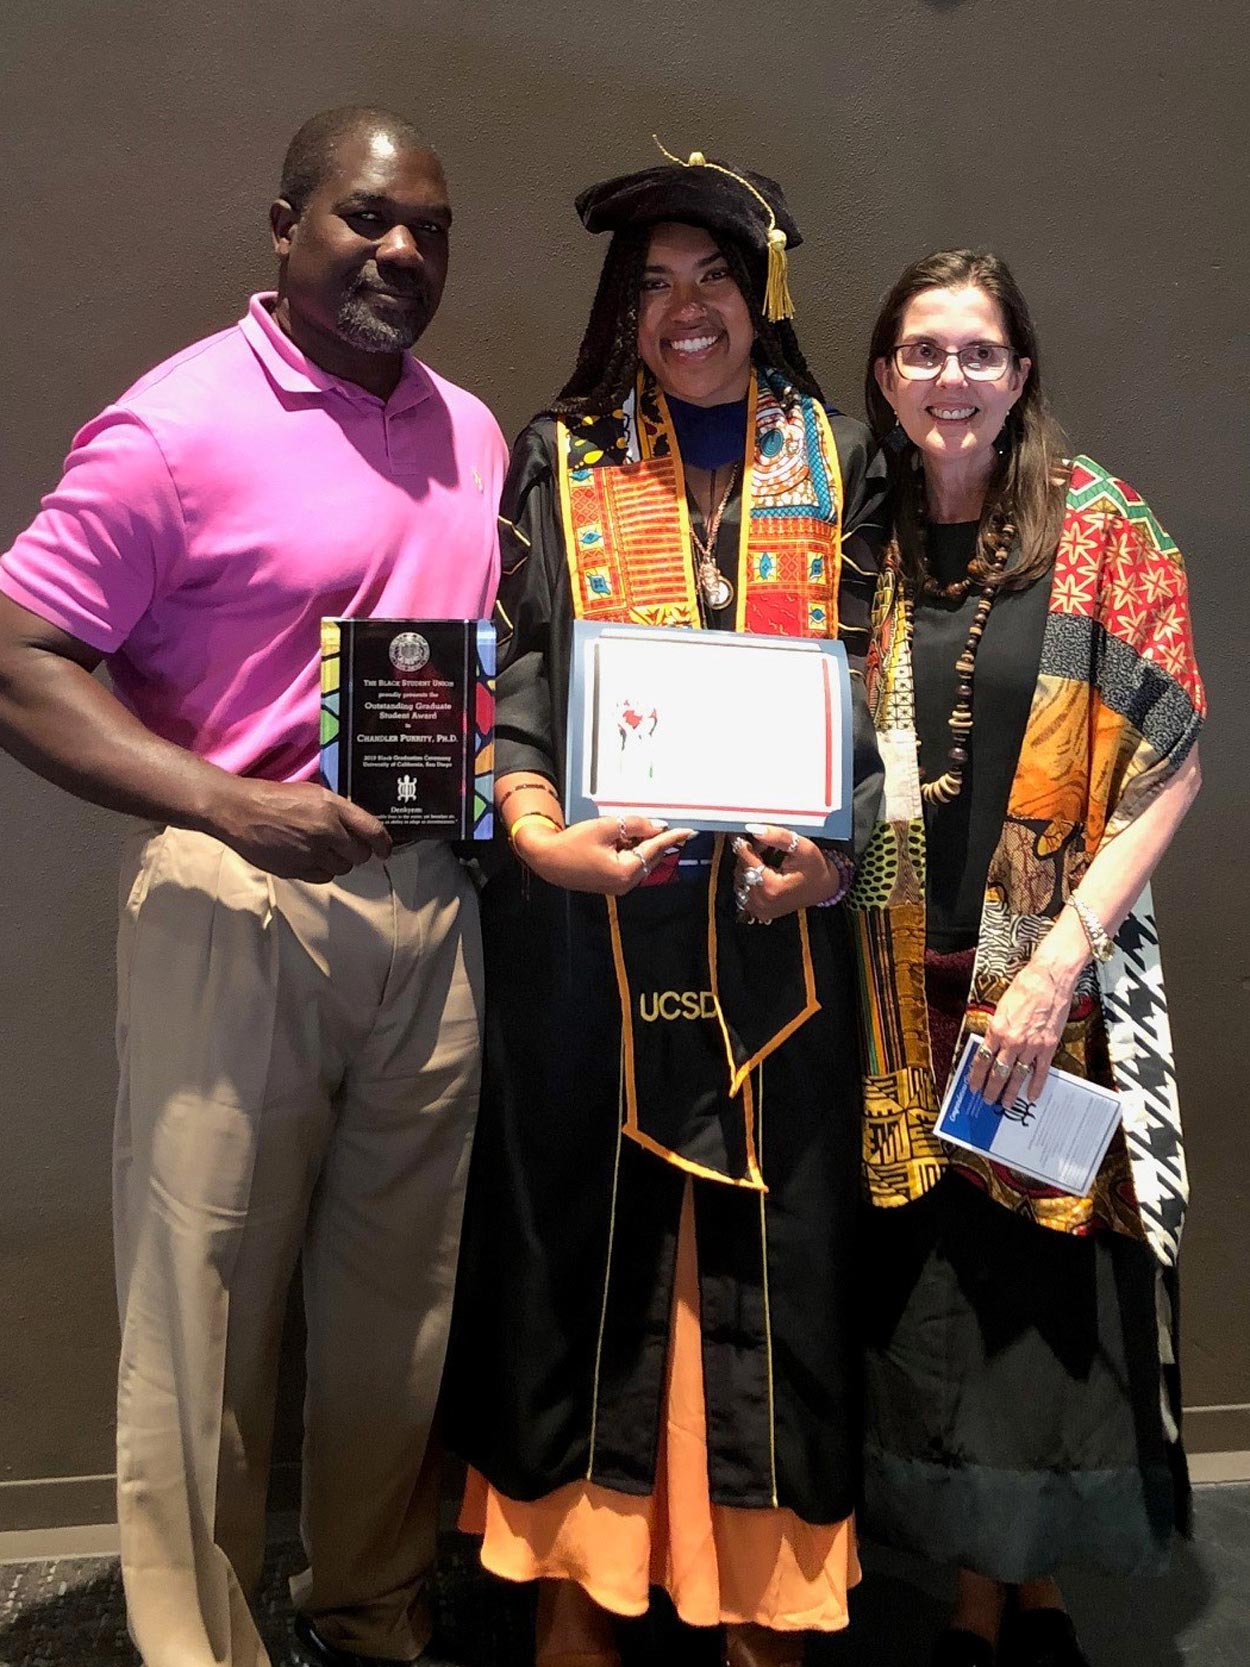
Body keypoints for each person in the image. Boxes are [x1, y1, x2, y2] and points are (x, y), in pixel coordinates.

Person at [0, 107, 506, 1667]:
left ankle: (370, 1612)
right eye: (364, 220)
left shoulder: (472, 429)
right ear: (284, 226)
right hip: (237, 902)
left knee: (398, 1315)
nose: (399, 252)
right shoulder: (173, 428)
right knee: (200, 1310)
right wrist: (226, 803)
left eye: (425, 226)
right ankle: (196, 1645)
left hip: (433, 912)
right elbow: (19, 660)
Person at [443, 149, 886, 1667]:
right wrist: (532, 829)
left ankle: (761, 1602)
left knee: (779, 1270)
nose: (682, 309)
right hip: (593, 935)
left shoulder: (841, 458)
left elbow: (878, 701)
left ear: (760, 294)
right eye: (650, 285)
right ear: (616, 310)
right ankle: (583, 1594)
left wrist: (837, 855)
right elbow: (519, 676)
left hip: (783, 953)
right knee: (588, 1253)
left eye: (709, 277)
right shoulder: (557, 456)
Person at [850, 249, 1205, 1667]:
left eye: (975, 352)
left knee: (1043, 1297)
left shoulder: (1103, 531)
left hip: (1045, 990)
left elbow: (1171, 757)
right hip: (883, 987)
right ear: (883, 374)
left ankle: (1033, 1593)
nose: (949, 379)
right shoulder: (849, 544)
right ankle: (956, 1580)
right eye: (922, 352)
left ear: (1020, 372)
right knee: (928, 1290)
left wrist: (1057, 955)